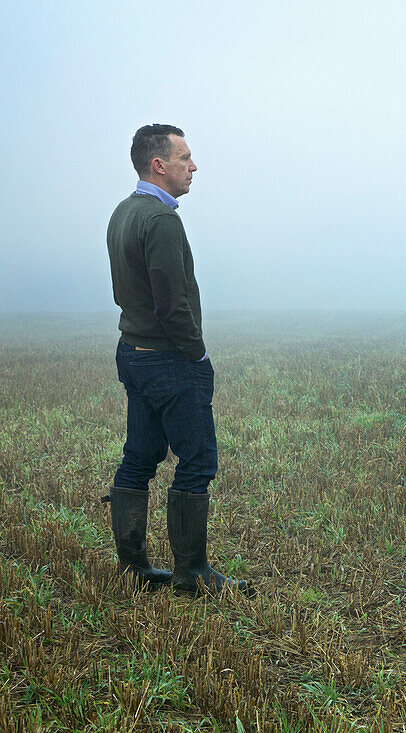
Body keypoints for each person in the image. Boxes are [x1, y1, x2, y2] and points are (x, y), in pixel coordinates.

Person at [105, 124, 249, 594]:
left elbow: (126, 293)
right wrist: (198, 354)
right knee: (198, 458)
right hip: (168, 359)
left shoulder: (123, 212)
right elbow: (171, 303)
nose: (194, 166)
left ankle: (134, 569)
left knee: (140, 457)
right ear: (158, 165)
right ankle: (192, 574)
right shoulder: (162, 221)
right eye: (185, 157)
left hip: (133, 354)